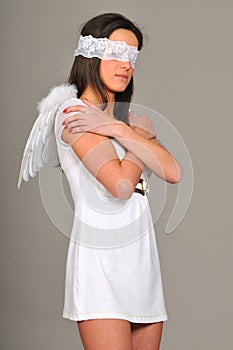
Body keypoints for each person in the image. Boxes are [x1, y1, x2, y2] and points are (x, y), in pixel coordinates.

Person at [19, 12, 182, 350]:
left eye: (133, 57)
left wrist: (120, 129)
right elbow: (121, 185)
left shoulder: (121, 122)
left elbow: (173, 172)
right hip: (102, 262)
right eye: (117, 53)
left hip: (142, 263)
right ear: (90, 55)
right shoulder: (73, 113)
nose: (127, 65)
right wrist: (139, 139)